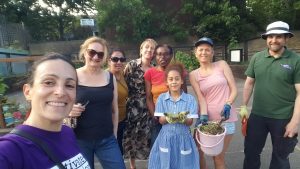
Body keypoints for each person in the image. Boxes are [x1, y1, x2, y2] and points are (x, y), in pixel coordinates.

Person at [0, 53, 91, 168]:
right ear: (28, 92)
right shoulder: (9, 151)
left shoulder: (67, 133)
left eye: (69, 85)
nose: (60, 92)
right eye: (48, 82)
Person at [241, 21, 300, 169]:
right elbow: (249, 83)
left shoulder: (296, 60)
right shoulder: (257, 58)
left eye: (278, 36)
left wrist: (295, 122)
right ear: (266, 38)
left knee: (280, 158)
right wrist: (244, 106)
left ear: (286, 38)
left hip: (283, 118)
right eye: (270, 36)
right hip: (257, 116)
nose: (274, 40)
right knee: (250, 154)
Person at [70, 37, 125, 169]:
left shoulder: (110, 77)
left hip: (106, 139)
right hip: (80, 139)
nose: (95, 57)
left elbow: (114, 110)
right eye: (91, 52)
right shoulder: (73, 76)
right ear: (84, 52)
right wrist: (69, 110)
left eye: (100, 54)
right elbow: (62, 103)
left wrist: (115, 133)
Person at [189, 37, 238, 169]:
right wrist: (203, 115)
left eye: (207, 49)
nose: (203, 52)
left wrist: (228, 104)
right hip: (206, 121)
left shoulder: (222, 64)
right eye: (200, 50)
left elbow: (234, 89)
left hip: (225, 120)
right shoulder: (193, 74)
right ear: (195, 52)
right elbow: (201, 98)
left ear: (212, 52)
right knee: (198, 151)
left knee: (218, 156)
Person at [148, 63, 200, 169]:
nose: (174, 82)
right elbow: (161, 120)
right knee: (165, 164)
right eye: (171, 79)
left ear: (181, 81)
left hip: (184, 139)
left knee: (184, 165)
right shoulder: (162, 99)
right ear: (167, 82)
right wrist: (169, 117)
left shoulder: (190, 99)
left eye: (177, 79)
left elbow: (190, 121)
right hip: (166, 139)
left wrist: (182, 118)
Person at [122, 38, 157, 169]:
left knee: (147, 136)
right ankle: (132, 166)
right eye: (146, 47)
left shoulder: (154, 68)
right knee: (131, 136)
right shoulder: (131, 65)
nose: (149, 50)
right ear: (141, 50)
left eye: (152, 48)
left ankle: (151, 164)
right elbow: (122, 83)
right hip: (132, 107)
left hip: (148, 107)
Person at [144, 44, 177, 148]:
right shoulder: (150, 73)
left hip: (176, 117)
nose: (162, 57)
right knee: (157, 148)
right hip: (159, 118)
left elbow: (184, 94)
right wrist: (155, 115)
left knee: (175, 148)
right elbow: (148, 97)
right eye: (159, 54)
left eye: (166, 54)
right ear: (155, 56)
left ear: (171, 55)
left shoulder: (178, 71)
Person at [107, 48, 128, 155]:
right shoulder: (105, 77)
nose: (119, 62)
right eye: (115, 59)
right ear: (108, 61)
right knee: (114, 152)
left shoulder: (123, 75)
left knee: (120, 150)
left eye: (122, 59)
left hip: (122, 120)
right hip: (109, 122)